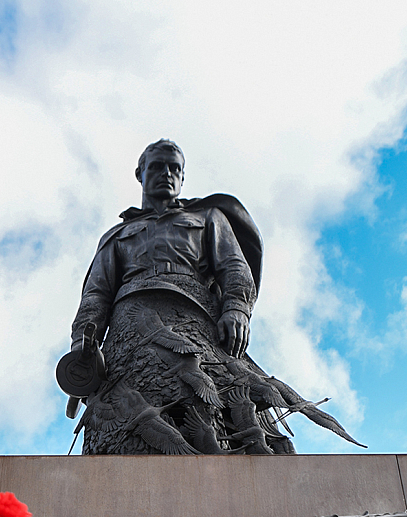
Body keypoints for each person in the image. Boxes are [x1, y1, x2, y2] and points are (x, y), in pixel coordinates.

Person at [62, 139, 361, 455]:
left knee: (216, 394)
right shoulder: (116, 236)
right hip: (129, 324)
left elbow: (234, 267)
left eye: (174, 168)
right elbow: (96, 295)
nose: (167, 173)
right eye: (157, 166)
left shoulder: (208, 219)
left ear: (182, 176)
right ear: (140, 173)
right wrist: (81, 348)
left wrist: (236, 307)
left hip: (195, 320)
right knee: (128, 409)